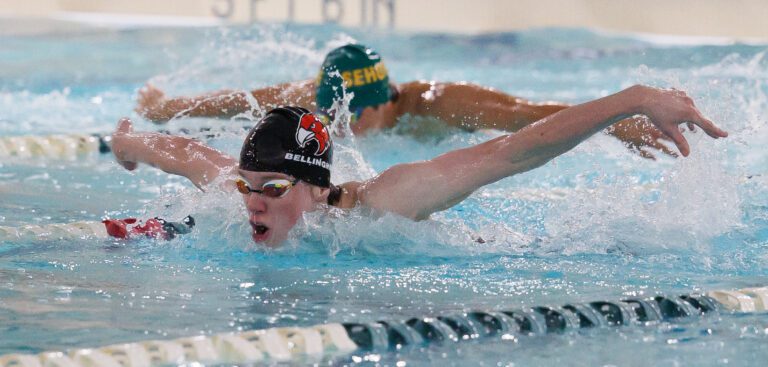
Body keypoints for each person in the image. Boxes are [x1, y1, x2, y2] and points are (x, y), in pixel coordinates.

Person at [112, 85, 728, 247]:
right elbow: (183, 153)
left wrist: (632, 100)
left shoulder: (385, 205)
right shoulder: (240, 195)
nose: (250, 199)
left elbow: (508, 153)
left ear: (314, 187)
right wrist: (125, 144)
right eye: (248, 184)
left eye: (271, 186)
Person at [135, 44, 675, 159]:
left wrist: (614, 122)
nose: (345, 123)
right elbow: (238, 101)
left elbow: (530, 115)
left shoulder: (441, 104)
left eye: (356, 112)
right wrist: (165, 107)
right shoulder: (315, 98)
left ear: (385, 98)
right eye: (335, 112)